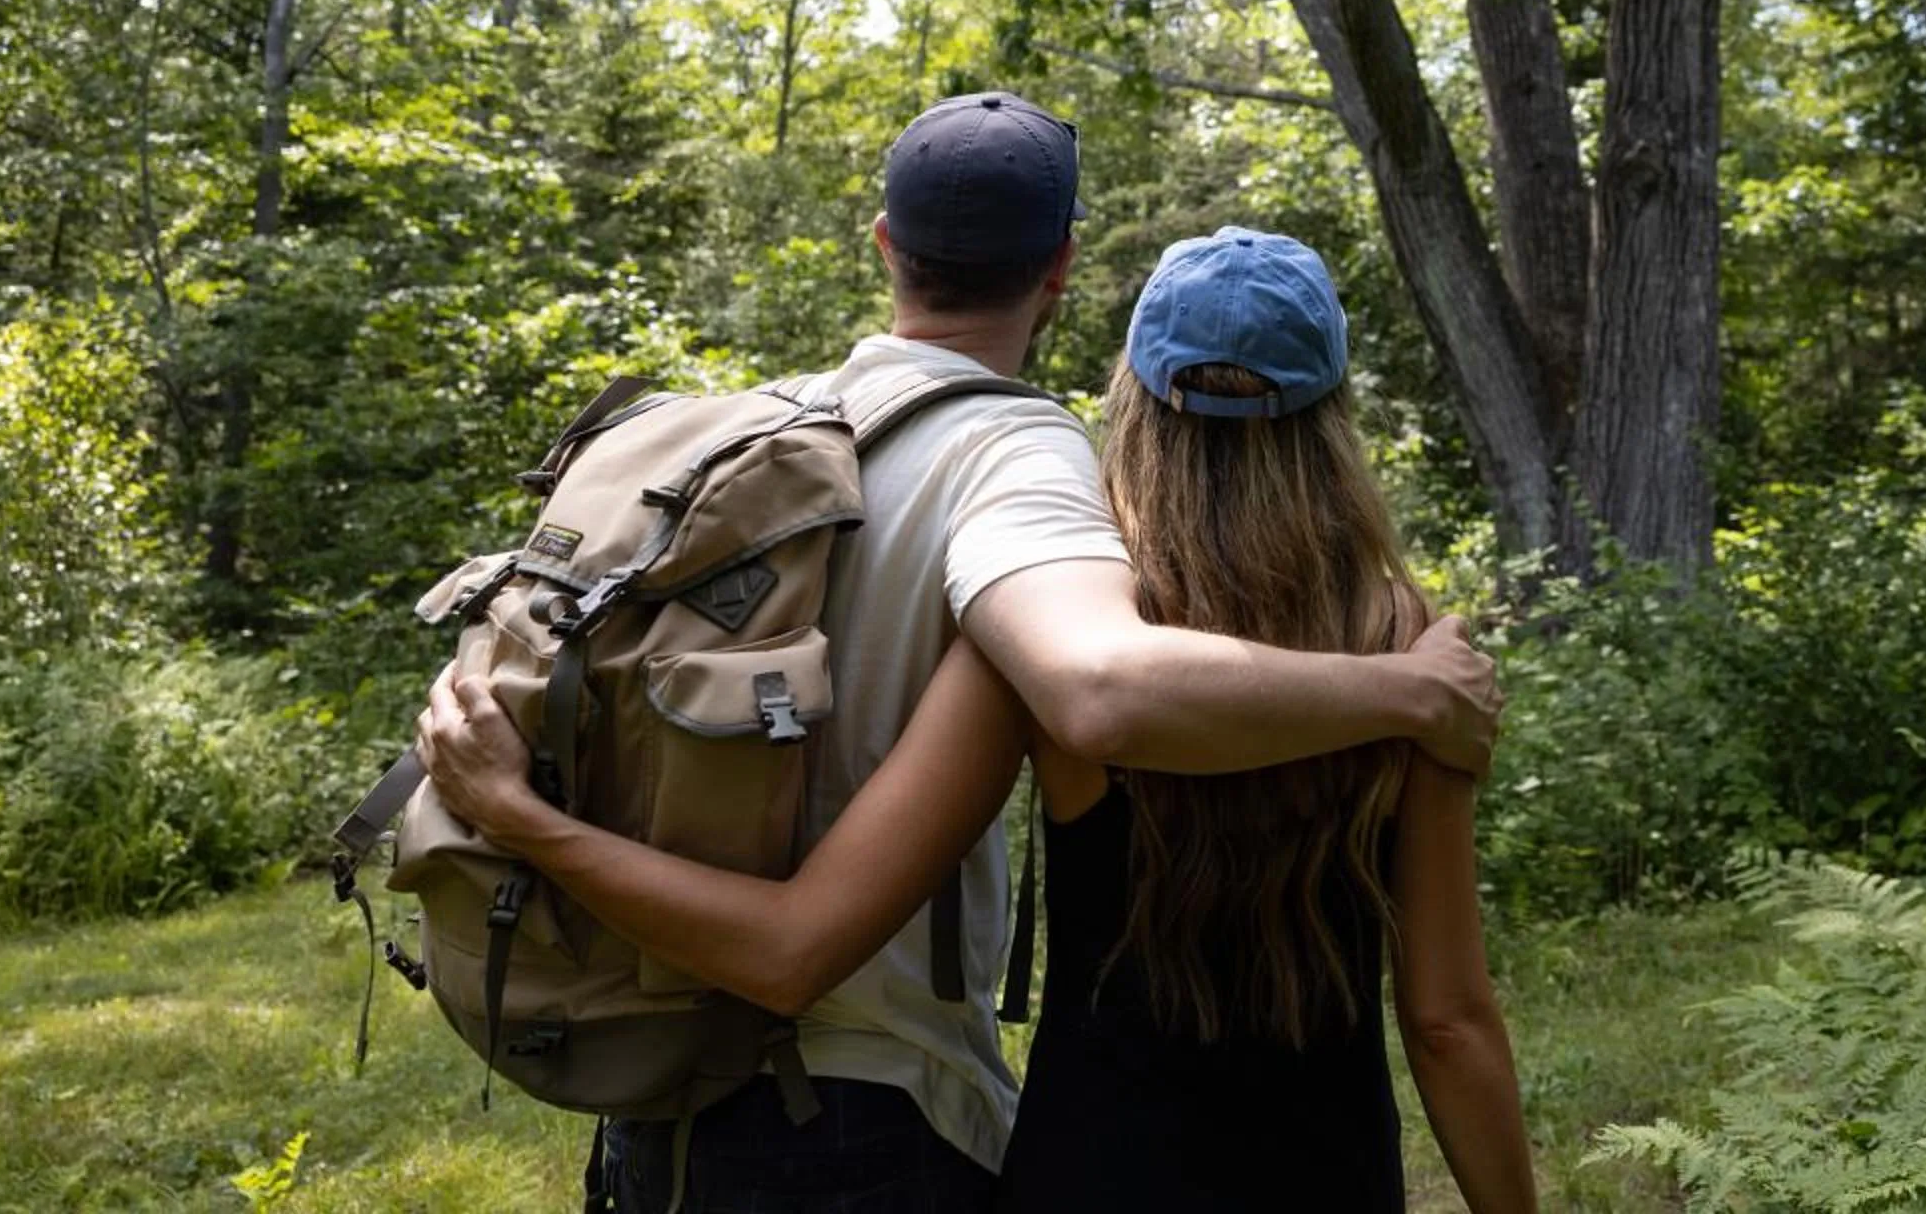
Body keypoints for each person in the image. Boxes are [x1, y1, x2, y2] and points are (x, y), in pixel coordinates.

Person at [458, 92, 1503, 1210]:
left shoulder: (798, 446)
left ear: (883, 244)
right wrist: (1403, 690)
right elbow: (1444, 1016)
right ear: (1060, 265)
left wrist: (531, 823)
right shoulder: (1386, 635)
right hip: (1157, 1152)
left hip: (770, 1102)